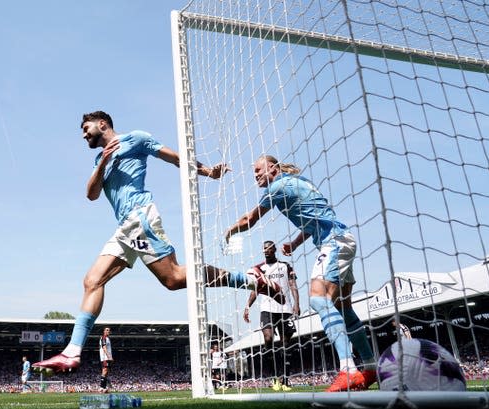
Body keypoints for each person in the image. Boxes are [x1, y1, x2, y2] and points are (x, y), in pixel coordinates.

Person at [33, 111, 257, 374]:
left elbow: (174, 158)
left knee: (173, 277)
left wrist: (208, 171)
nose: (84, 135)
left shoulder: (136, 139)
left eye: (86, 128)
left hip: (140, 217)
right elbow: (91, 194)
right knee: (93, 281)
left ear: (102, 124)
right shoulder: (99, 158)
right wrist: (103, 162)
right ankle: (72, 352)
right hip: (124, 227)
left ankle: (249, 278)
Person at [225, 155, 377, 392]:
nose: (254, 175)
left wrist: (230, 230)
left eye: (258, 170)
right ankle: (370, 367)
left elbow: (250, 219)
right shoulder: (298, 182)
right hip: (343, 239)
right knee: (344, 310)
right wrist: (295, 244)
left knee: (318, 298)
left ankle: (348, 369)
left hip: (334, 243)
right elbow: (314, 220)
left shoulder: (277, 187)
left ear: (273, 168)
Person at [243, 240, 300, 392]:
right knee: (268, 339)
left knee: (286, 344)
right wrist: (248, 306)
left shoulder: (285, 266)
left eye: (269, 248)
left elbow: (293, 285)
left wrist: (296, 304)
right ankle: (275, 377)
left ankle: (286, 380)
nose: (266, 251)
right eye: (264, 249)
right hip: (266, 309)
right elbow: (255, 290)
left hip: (285, 308)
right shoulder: (259, 268)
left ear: (274, 250)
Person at [99, 327, 113, 393]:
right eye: (107, 330)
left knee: (106, 372)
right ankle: (101, 387)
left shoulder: (108, 339)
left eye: (109, 330)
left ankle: (104, 387)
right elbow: (104, 347)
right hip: (105, 357)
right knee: (104, 371)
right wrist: (109, 356)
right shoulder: (103, 338)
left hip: (107, 357)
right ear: (104, 331)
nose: (108, 331)